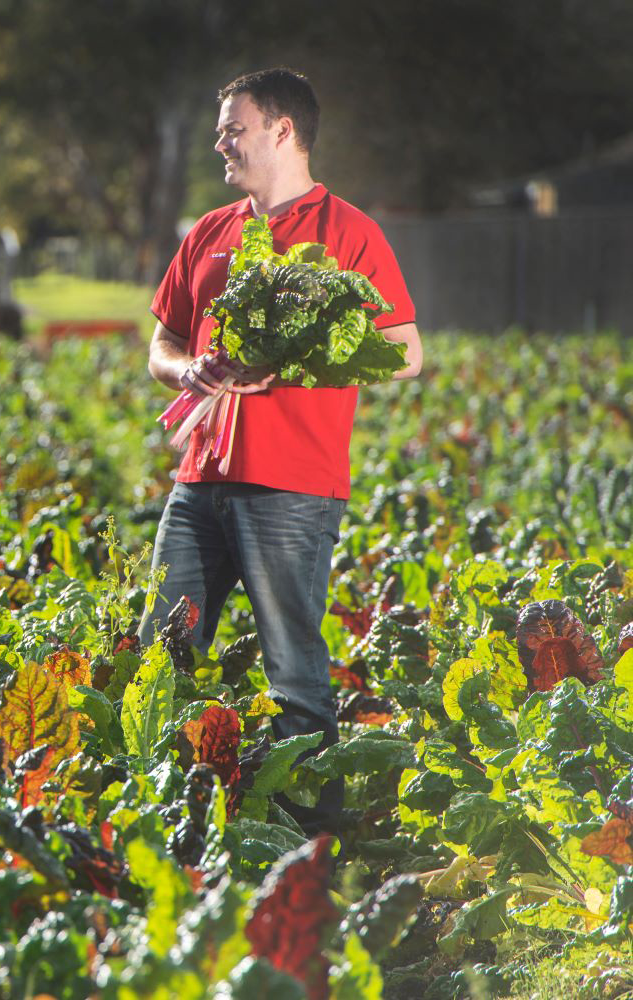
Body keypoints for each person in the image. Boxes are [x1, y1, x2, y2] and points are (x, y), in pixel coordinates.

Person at [137, 68, 423, 837]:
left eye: (234, 127)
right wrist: (185, 368)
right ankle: (168, 816)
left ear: (283, 131)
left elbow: (404, 351)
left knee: (294, 672)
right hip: (199, 479)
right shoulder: (209, 231)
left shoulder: (347, 231)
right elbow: (162, 340)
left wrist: (293, 362)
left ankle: (307, 845)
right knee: (158, 654)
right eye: (221, 129)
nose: (220, 141)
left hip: (292, 486)